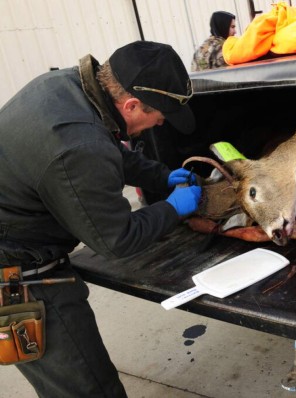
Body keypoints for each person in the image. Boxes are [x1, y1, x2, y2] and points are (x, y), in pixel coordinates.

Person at [0, 40, 203, 397]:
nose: (158, 125)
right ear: (131, 104)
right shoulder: (79, 145)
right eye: (160, 116)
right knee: (87, 389)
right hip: (18, 280)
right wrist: (173, 208)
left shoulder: (69, 88)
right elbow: (117, 240)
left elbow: (104, 149)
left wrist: (159, 176)